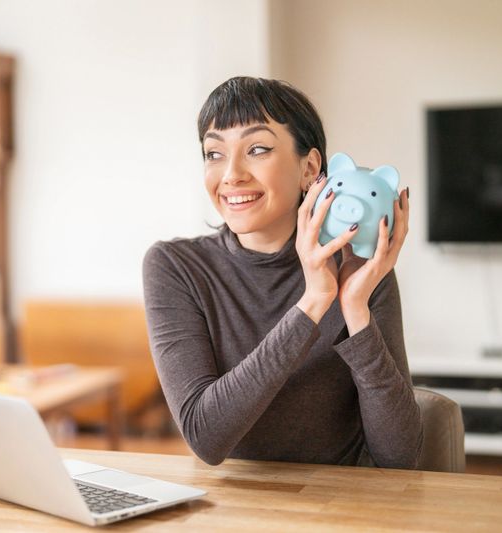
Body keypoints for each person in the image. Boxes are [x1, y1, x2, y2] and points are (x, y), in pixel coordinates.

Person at [142, 76, 422, 468]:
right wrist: (313, 303)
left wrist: (354, 308)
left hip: (340, 507)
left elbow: (400, 457)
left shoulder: (360, 270)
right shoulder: (176, 267)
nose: (231, 174)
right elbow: (206, 438)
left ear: (309, 168)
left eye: (256, 149)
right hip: (236, 504)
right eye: (213, 153)